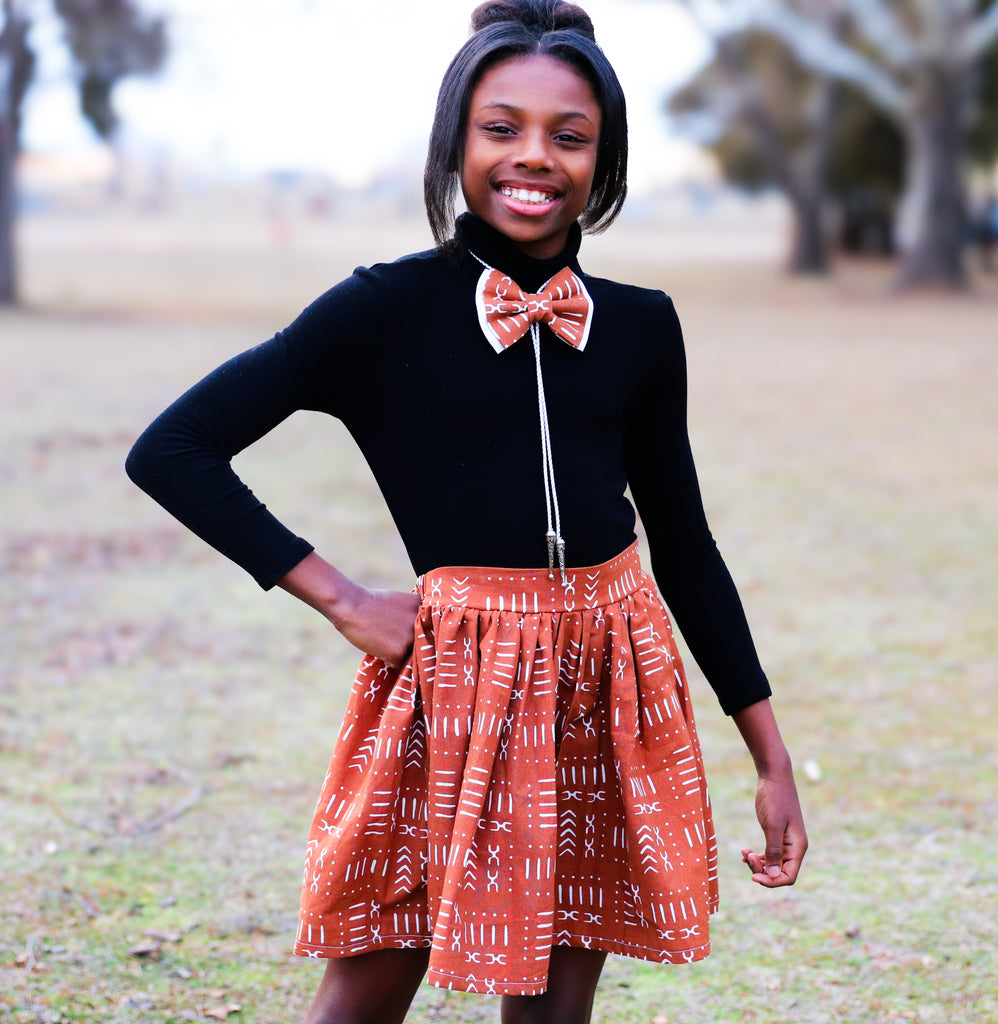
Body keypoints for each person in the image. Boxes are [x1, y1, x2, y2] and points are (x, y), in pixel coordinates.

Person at [125, 1, 808, 1021]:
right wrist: (340, 596)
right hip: (455, 681)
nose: (532, 158)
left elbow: (686, 543)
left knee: (549, 1005)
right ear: (455, 142)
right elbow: (171, 449)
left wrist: (768, 752)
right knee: (365, 985)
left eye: (567, 136)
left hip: (603, 677)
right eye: (501, 128)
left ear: (603, 156)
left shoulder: (638, 325)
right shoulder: (381, 309)